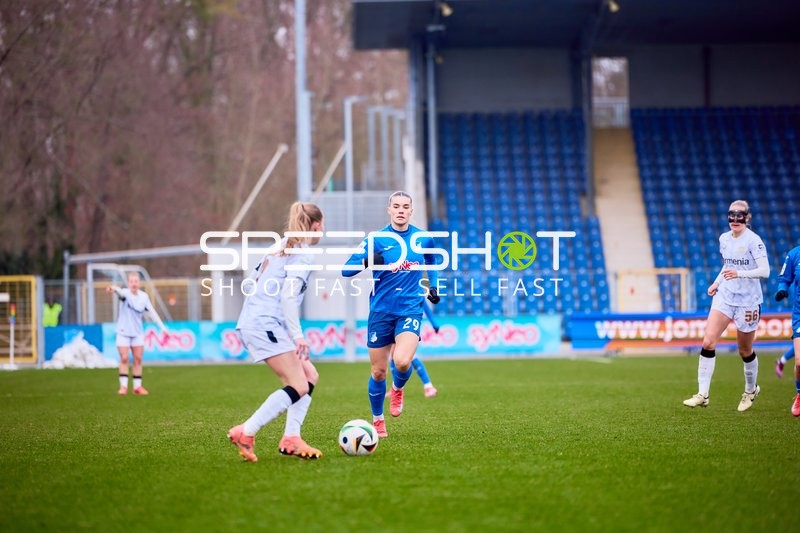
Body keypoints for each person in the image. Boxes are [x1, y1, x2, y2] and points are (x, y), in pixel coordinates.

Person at [227, 202, 324, 462]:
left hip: (259, 320)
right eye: (322, 227)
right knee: (298, 385)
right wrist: (297, 335)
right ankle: (246, 431)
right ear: (316, 225)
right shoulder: (302, 253)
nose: (322, 231)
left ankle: (291, 437)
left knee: (308, 374)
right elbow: (288, 296)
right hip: (265, 323)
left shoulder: (280, 246)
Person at [342, 191, 440, 438]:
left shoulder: (422, 238)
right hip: (381, 311)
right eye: (396, 206)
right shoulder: (376, 239)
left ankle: (397, 388)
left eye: (405, 206)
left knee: (403, 361)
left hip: (409, 308)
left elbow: (432, 261)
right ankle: (377, 420)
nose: (400, 210)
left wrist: (434, 286)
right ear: (389, 209)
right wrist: (368, 260)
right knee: (378, 372)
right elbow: (346, 270)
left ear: (411, 210)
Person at [683, 200, 770, 412]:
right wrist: (717, 282)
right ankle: (702, 394)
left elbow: (765, 271)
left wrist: (738, 273)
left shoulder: (754, 241)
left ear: (747, 218)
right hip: (726, 296)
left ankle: (750, 390)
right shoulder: (724, 238)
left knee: (744, 350)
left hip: (748, 302)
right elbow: (727, 266)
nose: (735, 219)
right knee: (708, 341)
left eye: (740, 215)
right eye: (732, 215)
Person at [107, 271, 168, 395]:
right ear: (128, 283)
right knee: (124, 357)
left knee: (138, 359)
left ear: (139, 283)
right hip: (123, 332)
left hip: (137, 333)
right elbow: (118, 291)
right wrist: (113, 288)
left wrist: (163, 328)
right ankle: (123, 386)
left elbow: (152, 313)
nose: (134, 284)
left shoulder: (143, 297)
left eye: (136, 281)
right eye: (131, 281)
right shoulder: (125, 294)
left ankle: (137, 387)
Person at [387, 302, 440, 397]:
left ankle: (428, 386)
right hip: (395, 320)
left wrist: (433, 322)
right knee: (394, 355)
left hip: (408, 322)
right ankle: (395, 388)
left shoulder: (412, 289)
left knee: (406, 355)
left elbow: (422, 301)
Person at [774, 243, 800, 416]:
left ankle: (782, 361)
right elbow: (784, 279)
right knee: (799, 362)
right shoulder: (794, 254)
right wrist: (782, 290)